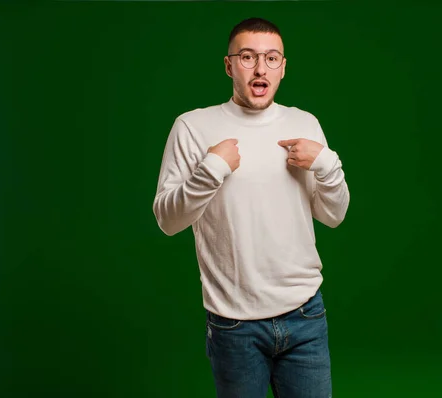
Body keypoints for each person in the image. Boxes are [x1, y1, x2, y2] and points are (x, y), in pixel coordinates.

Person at [152, 17, 350, 398]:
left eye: (271, 58)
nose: (261, 68)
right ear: (229, 65)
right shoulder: (193, 127)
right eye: (248, 57)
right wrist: (212, 169)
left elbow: (334, 215)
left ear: (283, 67)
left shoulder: (304, 123)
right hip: (234, 324)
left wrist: (326, 163)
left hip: (305, 315)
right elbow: (167, 220)